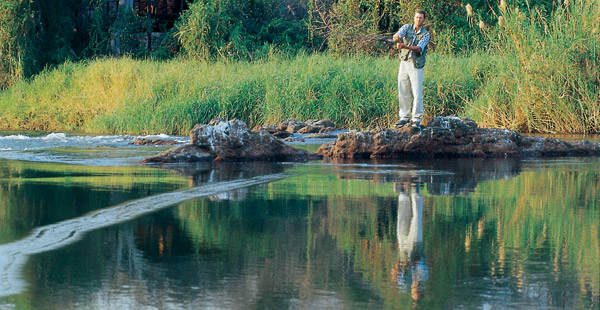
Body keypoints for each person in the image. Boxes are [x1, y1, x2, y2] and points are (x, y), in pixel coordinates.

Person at [393, 10, 431, 129]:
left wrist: (404, 46)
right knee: (403, 90)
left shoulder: (426, 34)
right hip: (404, 62)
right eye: (416, 17)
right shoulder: (407, 27)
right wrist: (397, 37)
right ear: (414, 18)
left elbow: (419, 48)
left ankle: (416, 119)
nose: (418, 20)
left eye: (420, 18)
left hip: (416, 65)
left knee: (417, 92)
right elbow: (397, 35)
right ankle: (404, 117)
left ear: (423, 20)